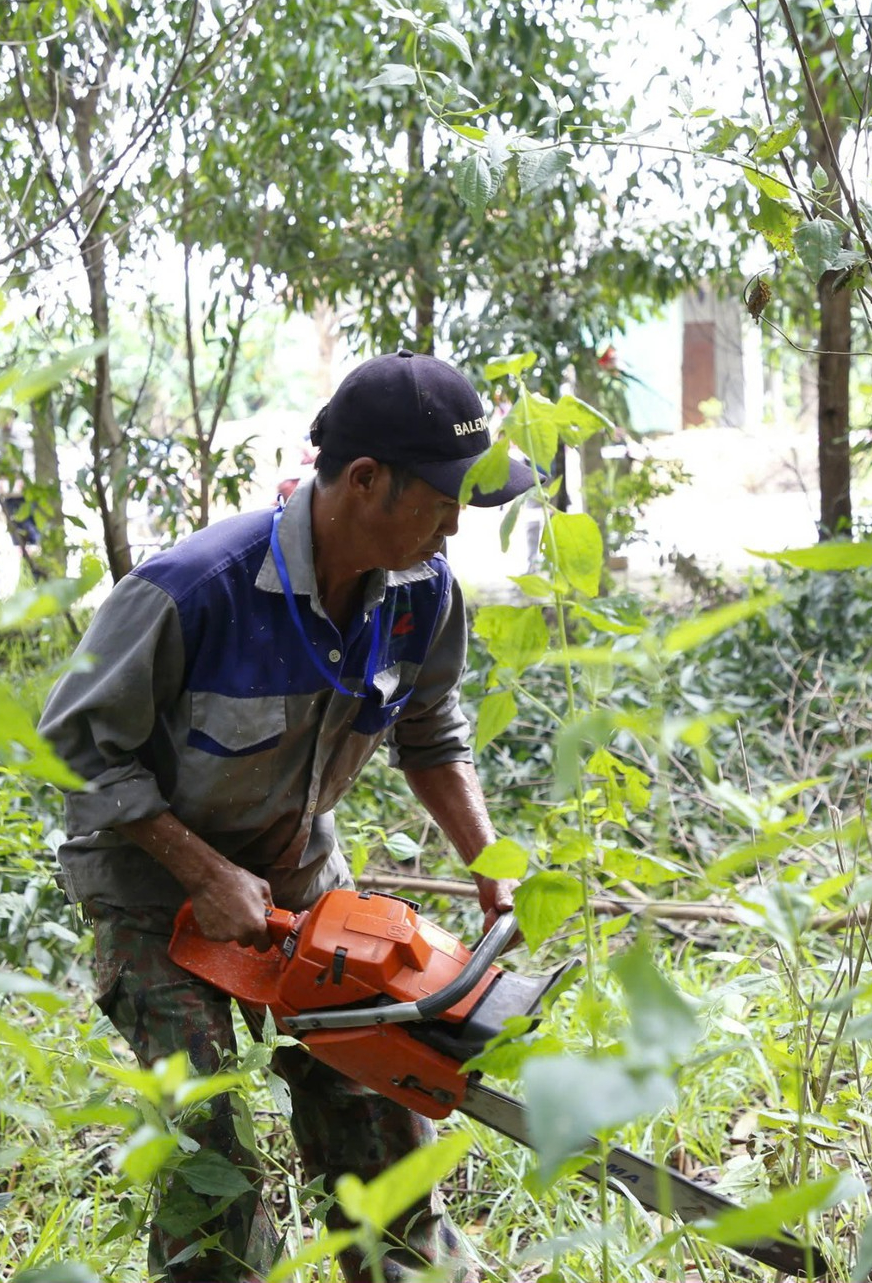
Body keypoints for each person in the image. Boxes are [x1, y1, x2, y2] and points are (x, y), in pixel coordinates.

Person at [38, 350, 534, 1283]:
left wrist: (487, 862)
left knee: (377, 1088)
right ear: (364, 481)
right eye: (440, 499)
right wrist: (198, 869)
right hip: (152, 889)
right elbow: (71, 743)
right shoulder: (196, 590)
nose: (455, 525)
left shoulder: (421, 592)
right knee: (208, 1146)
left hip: (300, 872)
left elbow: (430, 730)